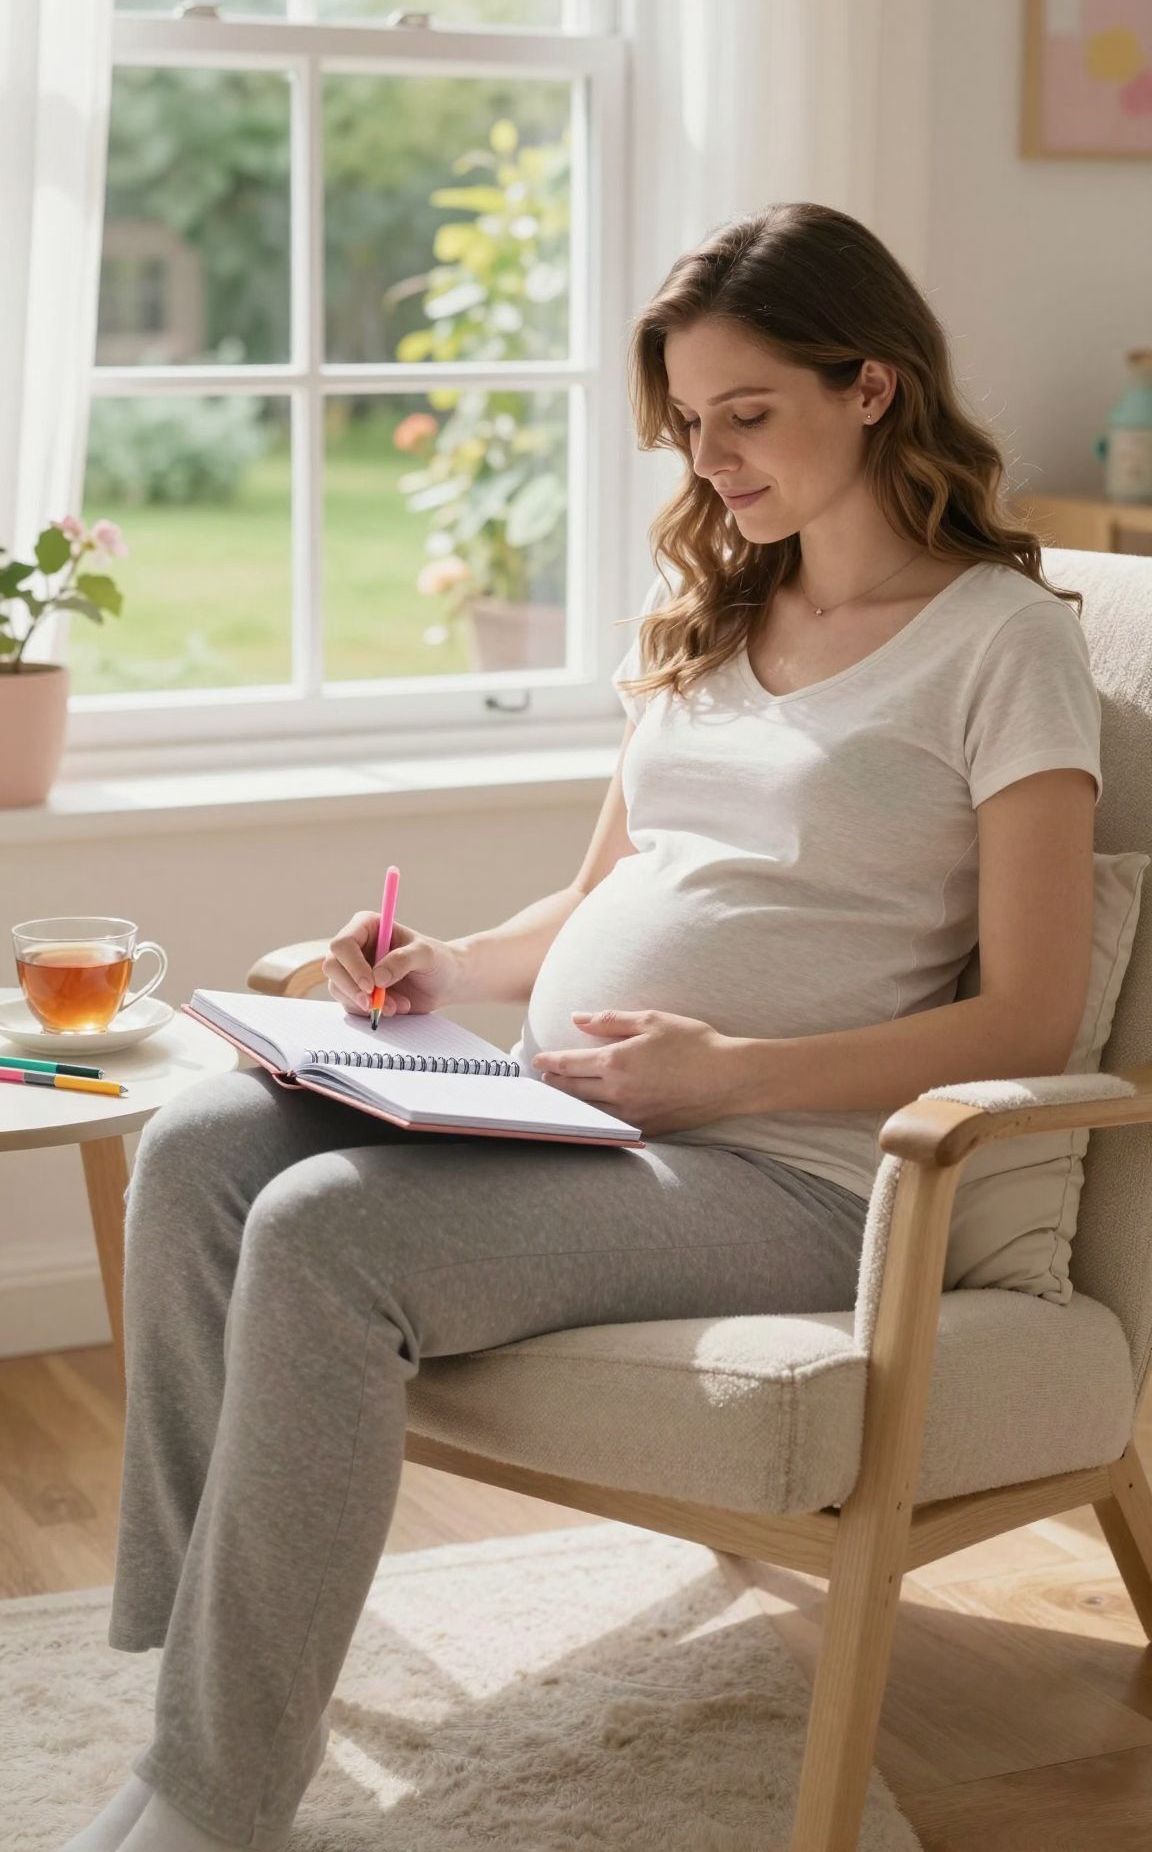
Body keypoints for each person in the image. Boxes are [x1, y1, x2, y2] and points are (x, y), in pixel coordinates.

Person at [64, 202, 1099, 1851]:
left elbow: (1035, 1011)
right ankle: (194, 1695)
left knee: (329, 1232)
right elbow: (597, 898)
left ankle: (213, 1798)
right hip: (594, 1111)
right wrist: (442, 966)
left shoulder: (1003, 645)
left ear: (874, 387)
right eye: (688, 423)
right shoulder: (713, 614)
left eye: (747, 414)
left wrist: (728, 1074)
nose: (710, 460)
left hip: (796, 1173)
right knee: (196, 1144)